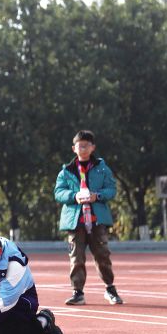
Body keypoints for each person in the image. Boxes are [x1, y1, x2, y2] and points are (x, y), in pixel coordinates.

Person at [54, 130, 123, 305]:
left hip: (96, 220)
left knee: (102, 255)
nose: (83, 148)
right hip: (75, 221)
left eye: (86, 145)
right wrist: (74, 196)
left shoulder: (102, 168)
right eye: (80, 145)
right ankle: (78, 292)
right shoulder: (66, 171)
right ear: (73, 148)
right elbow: (58, 193)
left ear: (93, 147)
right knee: (76, 257)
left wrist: (97, 196)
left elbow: (111, 189)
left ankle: (110, 288)